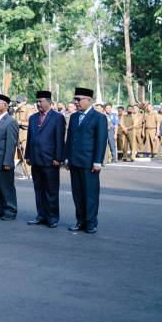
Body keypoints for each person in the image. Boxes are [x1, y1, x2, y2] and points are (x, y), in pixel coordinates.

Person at [64, 87, 108, 234]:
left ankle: (91, 222)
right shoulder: (74, 116)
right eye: (75, 99)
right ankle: (80, 221)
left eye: (78, 99)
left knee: (90, 194)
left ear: (88, 100)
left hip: (89, 162)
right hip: (75, 161)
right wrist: (67, 157)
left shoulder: (99, 117)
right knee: (77, 193)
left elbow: (101, 141)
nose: (75, 102)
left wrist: (98, 161)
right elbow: (70, 139)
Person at [24, 91, 66, 229]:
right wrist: (28, 155)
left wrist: (58, 158)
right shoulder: (33, 118)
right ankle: (41, 216)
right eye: (37, 101)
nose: (38, 104)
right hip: (36, 159)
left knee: (51, 190)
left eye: (41, 101)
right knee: (39, 189)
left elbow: (59, 139)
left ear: (49, 102)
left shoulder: (57, 117)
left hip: (50, 159)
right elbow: (30, 138)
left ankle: (52, 217)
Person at [13, 95, 32, 180]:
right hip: (19, 136)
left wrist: (20, 122)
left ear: (24, 102)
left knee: (26, 155)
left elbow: (31, 123)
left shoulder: (28, 111)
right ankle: (25, 172)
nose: (17, 104)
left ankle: (27, 173)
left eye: (19, 102)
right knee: (22, 155)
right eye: (17, 102)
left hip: (26, 135)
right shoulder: (16, 112)